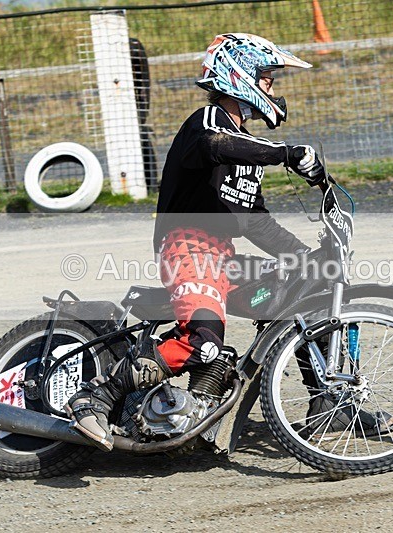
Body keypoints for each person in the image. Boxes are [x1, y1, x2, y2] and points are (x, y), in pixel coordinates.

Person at [67, 33, 325, 451]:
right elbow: (214, 145)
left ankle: (328, 402)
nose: (272, 86)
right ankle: (94, 398)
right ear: (240, 75)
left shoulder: (245, 152)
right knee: (203, 341)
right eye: (266, 76)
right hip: (186, 247)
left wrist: (305, 257)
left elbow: (254, 221)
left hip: (222, 257)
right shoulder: (207, 122)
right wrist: (285, 153)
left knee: (311, 287)